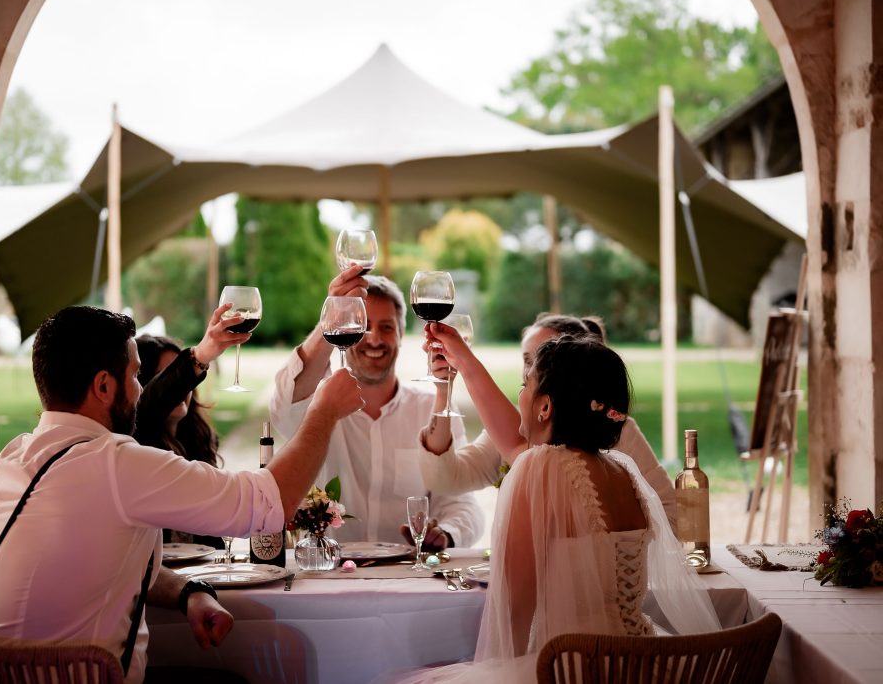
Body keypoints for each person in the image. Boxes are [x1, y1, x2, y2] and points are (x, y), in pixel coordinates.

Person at [0, 306, 363, 684]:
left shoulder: (8, 461)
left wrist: (187, 592)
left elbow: (101, 567)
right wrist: (324, 412)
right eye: (135, 375)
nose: (142, 388)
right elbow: (266, 504)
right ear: (103, 386)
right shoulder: (116, 464)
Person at [382, 337, 720, 684]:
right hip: (639, 665)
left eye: (524, 384)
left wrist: (501, 673)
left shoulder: (539, 468)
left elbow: (514, 608)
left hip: (570, 669)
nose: (520, 395)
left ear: (545, 407)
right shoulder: (624, 471)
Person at [269, 265, 483, 550]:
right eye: (363, 325)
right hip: (328, 575)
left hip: (408, 577)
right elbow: (284, 405)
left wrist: (446, 533)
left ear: (402, 334)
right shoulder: (319, 406)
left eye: (386, 327)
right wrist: (330, 320)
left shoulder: (432, 406)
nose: (374, 338)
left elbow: (462, 502)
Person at [419, 313, 677, 528]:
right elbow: (447, 478)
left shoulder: (539, 465)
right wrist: (446, 386)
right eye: (526, 361)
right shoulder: (618, 470)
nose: (525, 374)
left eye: (536, 366)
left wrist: (464, 361)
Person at [134, 305, 245, 547]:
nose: (181, 387)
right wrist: (199, 356)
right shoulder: (135, 442)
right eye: (167, 377)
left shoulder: (197, 439)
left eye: (185, 378)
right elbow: (146, 407)